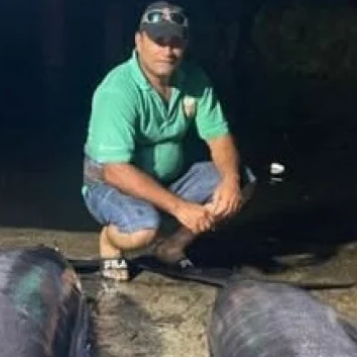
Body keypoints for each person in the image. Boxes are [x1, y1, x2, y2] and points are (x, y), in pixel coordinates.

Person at [81, 2, 257, 281]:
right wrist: (180, 207)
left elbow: (219, 136)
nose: (167, 50)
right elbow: (115, 170)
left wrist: (230, 180)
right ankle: (111, 241)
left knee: (242, 180)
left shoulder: (195, 79)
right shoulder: (117, 90)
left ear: (185, 44)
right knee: (144, 229)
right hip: (111, 185)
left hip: (167, 179)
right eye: (158, 40)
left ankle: (174, 245)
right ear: (139, 41)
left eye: (175, 41)